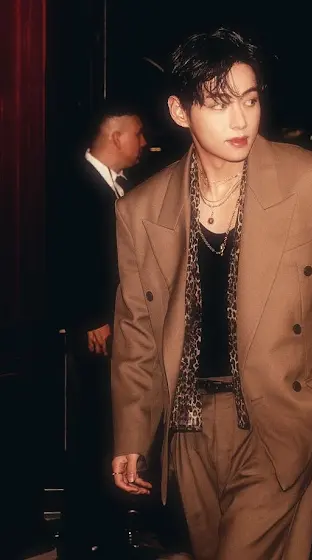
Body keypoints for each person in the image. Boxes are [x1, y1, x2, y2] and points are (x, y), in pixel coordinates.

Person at [110, 28, 312, 560]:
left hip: (282, 417)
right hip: (189, 425)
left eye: (249, 100)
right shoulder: (141, 209)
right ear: (180, 112)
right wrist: (132, 433)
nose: (240, 120)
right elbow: (137, 328)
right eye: (219, 103)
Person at [59, 102, 147, 559]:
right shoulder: (74, 184)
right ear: (115, 136)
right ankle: (80, 537)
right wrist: (89, 318)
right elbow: (66, 255)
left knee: (113, 430)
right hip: (94, 331)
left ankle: (111, 531)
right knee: (91, 432)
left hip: (121, 329)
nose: (143, 142)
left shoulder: (122, 187)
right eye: (137, 133)